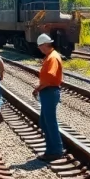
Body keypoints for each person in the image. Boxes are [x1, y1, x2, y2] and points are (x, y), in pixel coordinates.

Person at [32, 33, 65, 161]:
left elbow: (50, 77)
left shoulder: (53, 58)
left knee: (49, 122)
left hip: (50, 92)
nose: (39, 49)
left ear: (45, 45)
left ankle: (56, 150)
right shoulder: (50, 56)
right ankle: (52, 149)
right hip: (48, 91)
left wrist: (38, 88)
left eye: (40, 47)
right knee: (45, 122)